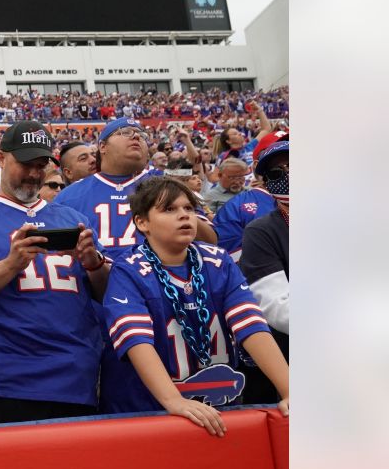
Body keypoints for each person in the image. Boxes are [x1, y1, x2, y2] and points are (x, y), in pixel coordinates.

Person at [0, 121, 109, 424]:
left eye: (41, 165)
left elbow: (106, 295)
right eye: (26, 164)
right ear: (1, 158)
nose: (34, 174)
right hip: (7, 380)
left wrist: (92, 261)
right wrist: (11, 264)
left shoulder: (73, 218)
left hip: (76, 377)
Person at [100, 177, 289, 433]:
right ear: (142, 222)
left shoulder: (218, 260)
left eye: (188, 208)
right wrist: (173, 400)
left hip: (220, 405)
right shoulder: (128, 269)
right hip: (151, 410)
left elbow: (251, 325)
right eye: (169, 209)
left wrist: (290, 389)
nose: (184, 216)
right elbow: (136, 340)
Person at [54, 117, 215, 263]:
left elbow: (211, 240)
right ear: (102, 146)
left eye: (141, 135)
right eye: (125, 132)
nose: (136, 136)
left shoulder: (170, 185)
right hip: (95, 288)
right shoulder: (69, 196)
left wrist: (177, 208)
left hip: (161, 286)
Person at [237, 140, 290, 404]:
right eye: (278, 173)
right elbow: (278, 307)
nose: (290, 175)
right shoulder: (261, 231)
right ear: (267, 184)